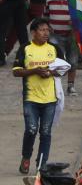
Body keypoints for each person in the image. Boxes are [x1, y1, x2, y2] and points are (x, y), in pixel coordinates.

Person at [13, 17, 60, 174]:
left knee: (46, 132)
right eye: (42, 30)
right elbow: (16, 71)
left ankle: (41, 164)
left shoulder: (54, 48)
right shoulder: (25, 48)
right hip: (31, 98)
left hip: (50, 99)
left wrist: (50, 72)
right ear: (33, 32)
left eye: (47, 30)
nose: (46, 33)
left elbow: (65, 68)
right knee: (31, 129)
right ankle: (26, 158)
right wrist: (34, 71)